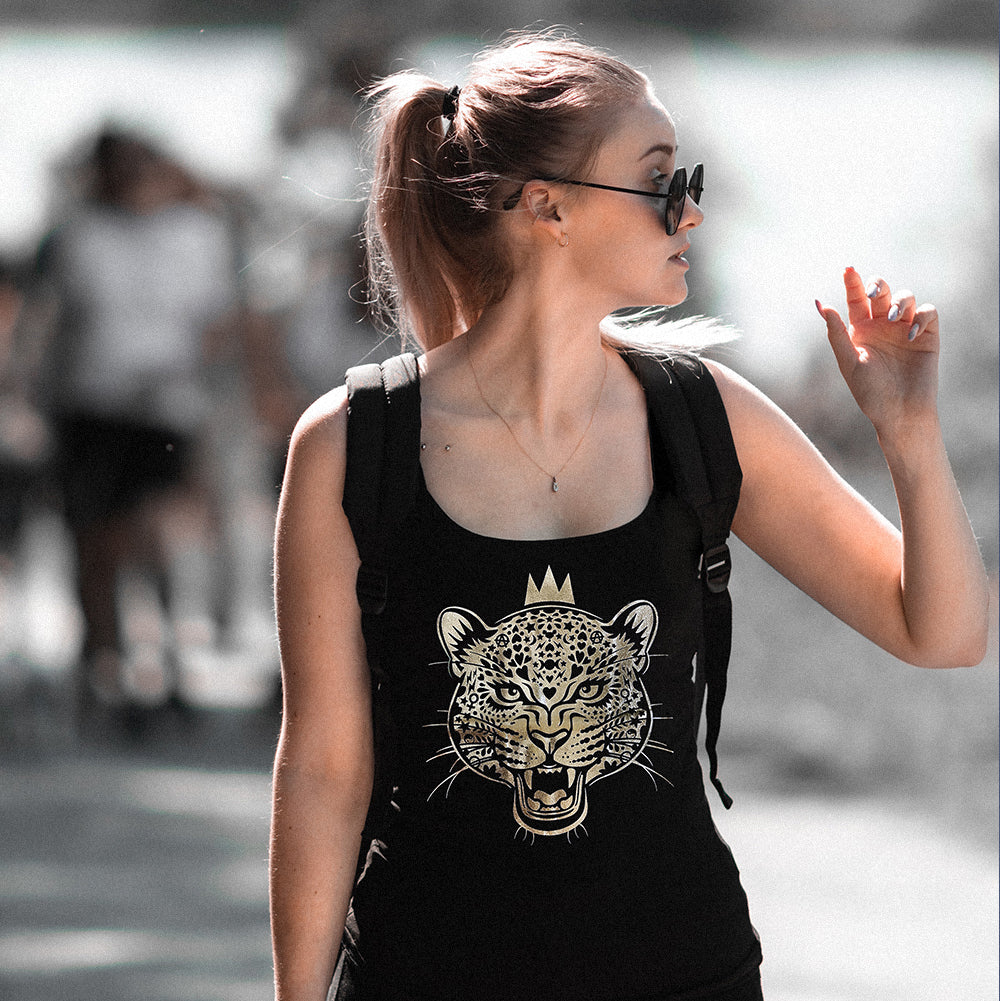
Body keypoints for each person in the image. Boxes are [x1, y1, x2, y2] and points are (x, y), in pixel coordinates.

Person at [269, 33, 989, 1001]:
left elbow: (940, 632)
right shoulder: (352, 444)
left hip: (685, 972)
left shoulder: (705, 415)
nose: (690, 208)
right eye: (660, 180)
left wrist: (907, 433)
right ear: (546, 207)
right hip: (422, 972)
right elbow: (322, 770)